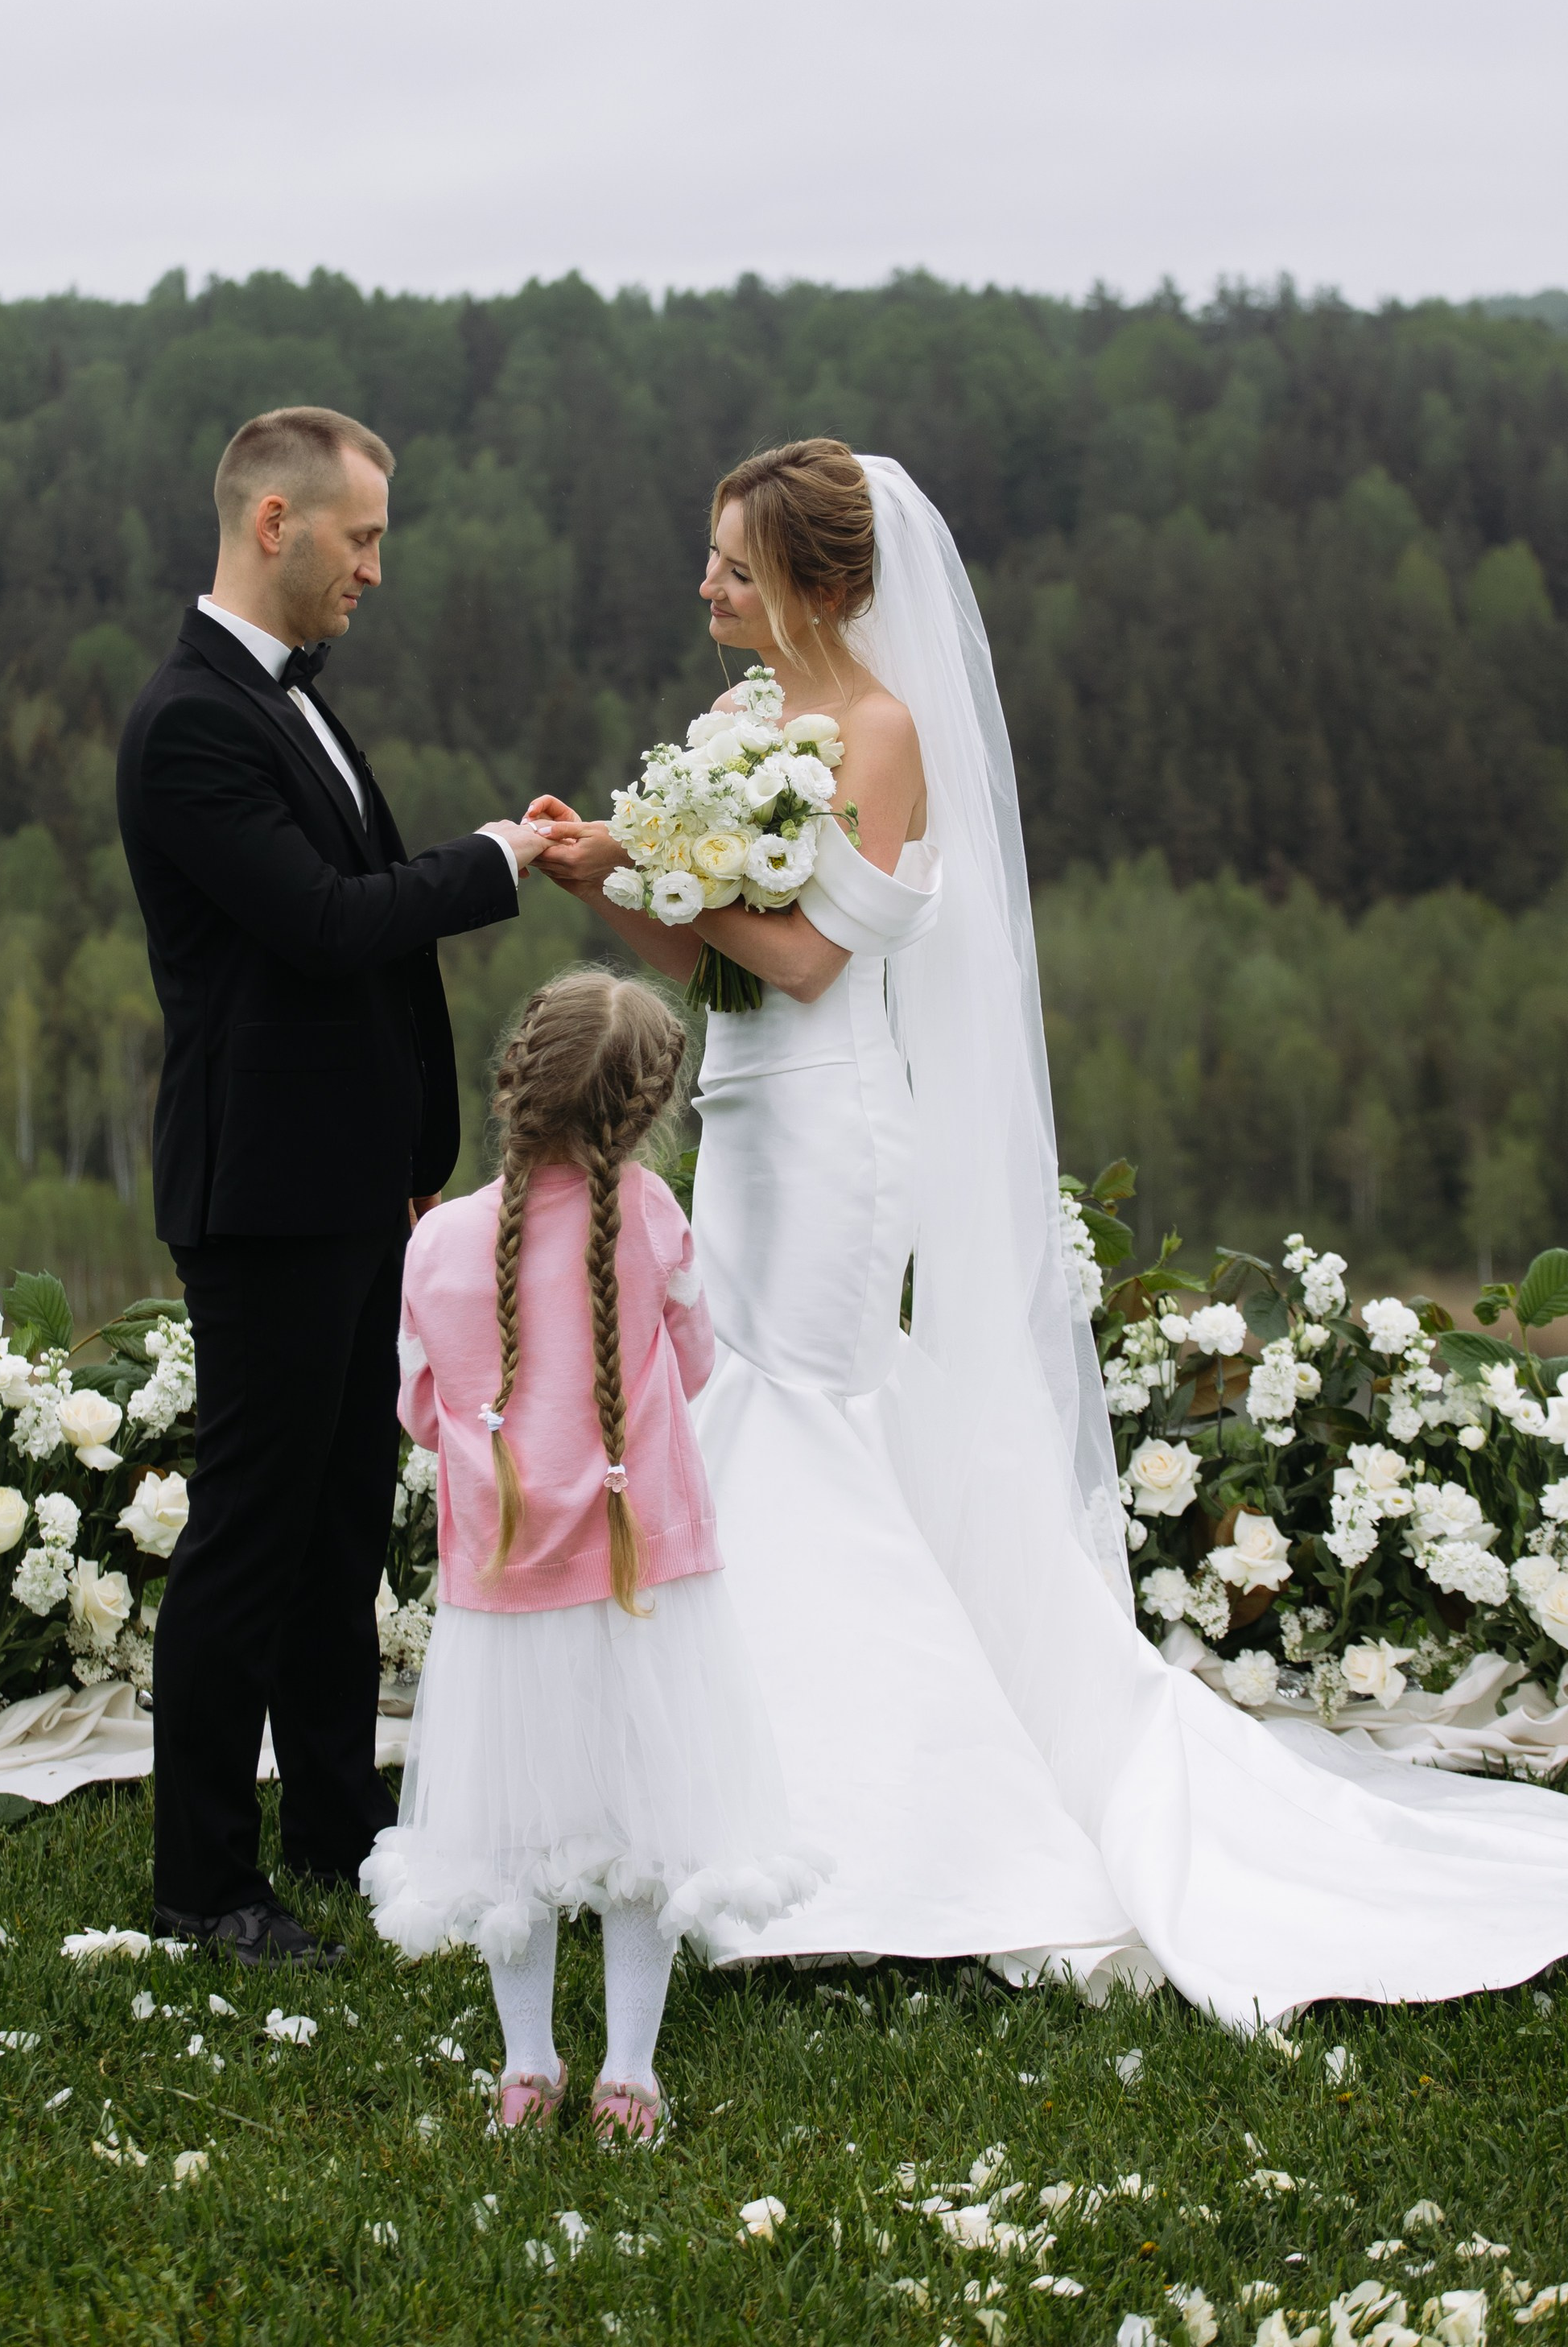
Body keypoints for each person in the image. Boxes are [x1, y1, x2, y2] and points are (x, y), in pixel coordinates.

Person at [533, 436, 1568, 2027]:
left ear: (819, 583)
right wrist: (607, 875)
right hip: (742, 1114)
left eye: (734, 566)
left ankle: (885, 1839)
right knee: (749, 1411)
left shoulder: (879, 730)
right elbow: (712, 960)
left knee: (799, 1420)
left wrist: (645, 875)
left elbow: (807, 962)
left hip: (836, 1122)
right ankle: (743, 1806)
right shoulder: (748, 725)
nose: (707, 587)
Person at [117, 404, 547, 1970]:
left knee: (338, 1531)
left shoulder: (287, 703)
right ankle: (202, 1885)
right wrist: (493, 861)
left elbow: (348, 925)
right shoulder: (192, 724)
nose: (378, 569)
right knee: (249, 1534)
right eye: (361, 539)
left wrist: (404, 1168)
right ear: (276, 525)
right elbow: (319, 921)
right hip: (265, 1194)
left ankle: (335, 1821)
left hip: (351, 1189)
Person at [360, 969, 825, 2138]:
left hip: (502, 1593)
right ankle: (630, 2076)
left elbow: (418, 1411)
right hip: (642, 1582)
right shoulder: (654, 1221)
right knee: (640, 1832)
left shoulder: (441, 1244)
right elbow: (699, 1362)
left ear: (516, 1081)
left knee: (514, 1837)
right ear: (641, 1112)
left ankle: (526, 2071)